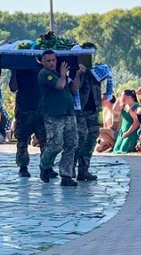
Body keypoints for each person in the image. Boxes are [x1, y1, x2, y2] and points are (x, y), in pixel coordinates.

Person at [38, 50, 81, 185]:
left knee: (71, 144)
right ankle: (44, 165)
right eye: (48, 61)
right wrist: (63, 74)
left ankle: (66, 175)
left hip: (68, 113)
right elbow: (60, 85)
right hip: (54, 115)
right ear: (43, 62)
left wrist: (78, 74)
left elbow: (74, 89)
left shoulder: (59, 74)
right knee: (55, 145)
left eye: (53, 60)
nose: (51, 63)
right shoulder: (45, 74)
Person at [9, 66, 47, 178]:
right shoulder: (20, 68)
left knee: (45, 141)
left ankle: (46, 167)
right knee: (22, 141)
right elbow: (13, 87)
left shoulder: (43, 67)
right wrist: (14, 70)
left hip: (40, 109)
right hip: (24, 110)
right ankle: (23, 167)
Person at [74, 49, 103, 181]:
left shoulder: (97, 71)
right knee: (80, 139)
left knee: (91, 140)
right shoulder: (76, 70)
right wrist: (81, 73)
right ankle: (71, 167)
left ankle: (84, 170)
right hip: (80, 111)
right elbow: (75, 88)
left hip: (93, 110)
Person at [113, 90, 141, 154]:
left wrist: (127, 133)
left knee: (124, 149)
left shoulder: (136, 106)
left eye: (123, 97)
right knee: (117, 149)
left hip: (131, 132)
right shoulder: (123, 106)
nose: (122, 99)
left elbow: (136, 122)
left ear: (129, 97)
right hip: (123, 132)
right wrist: (119, 99)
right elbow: (114, 109)